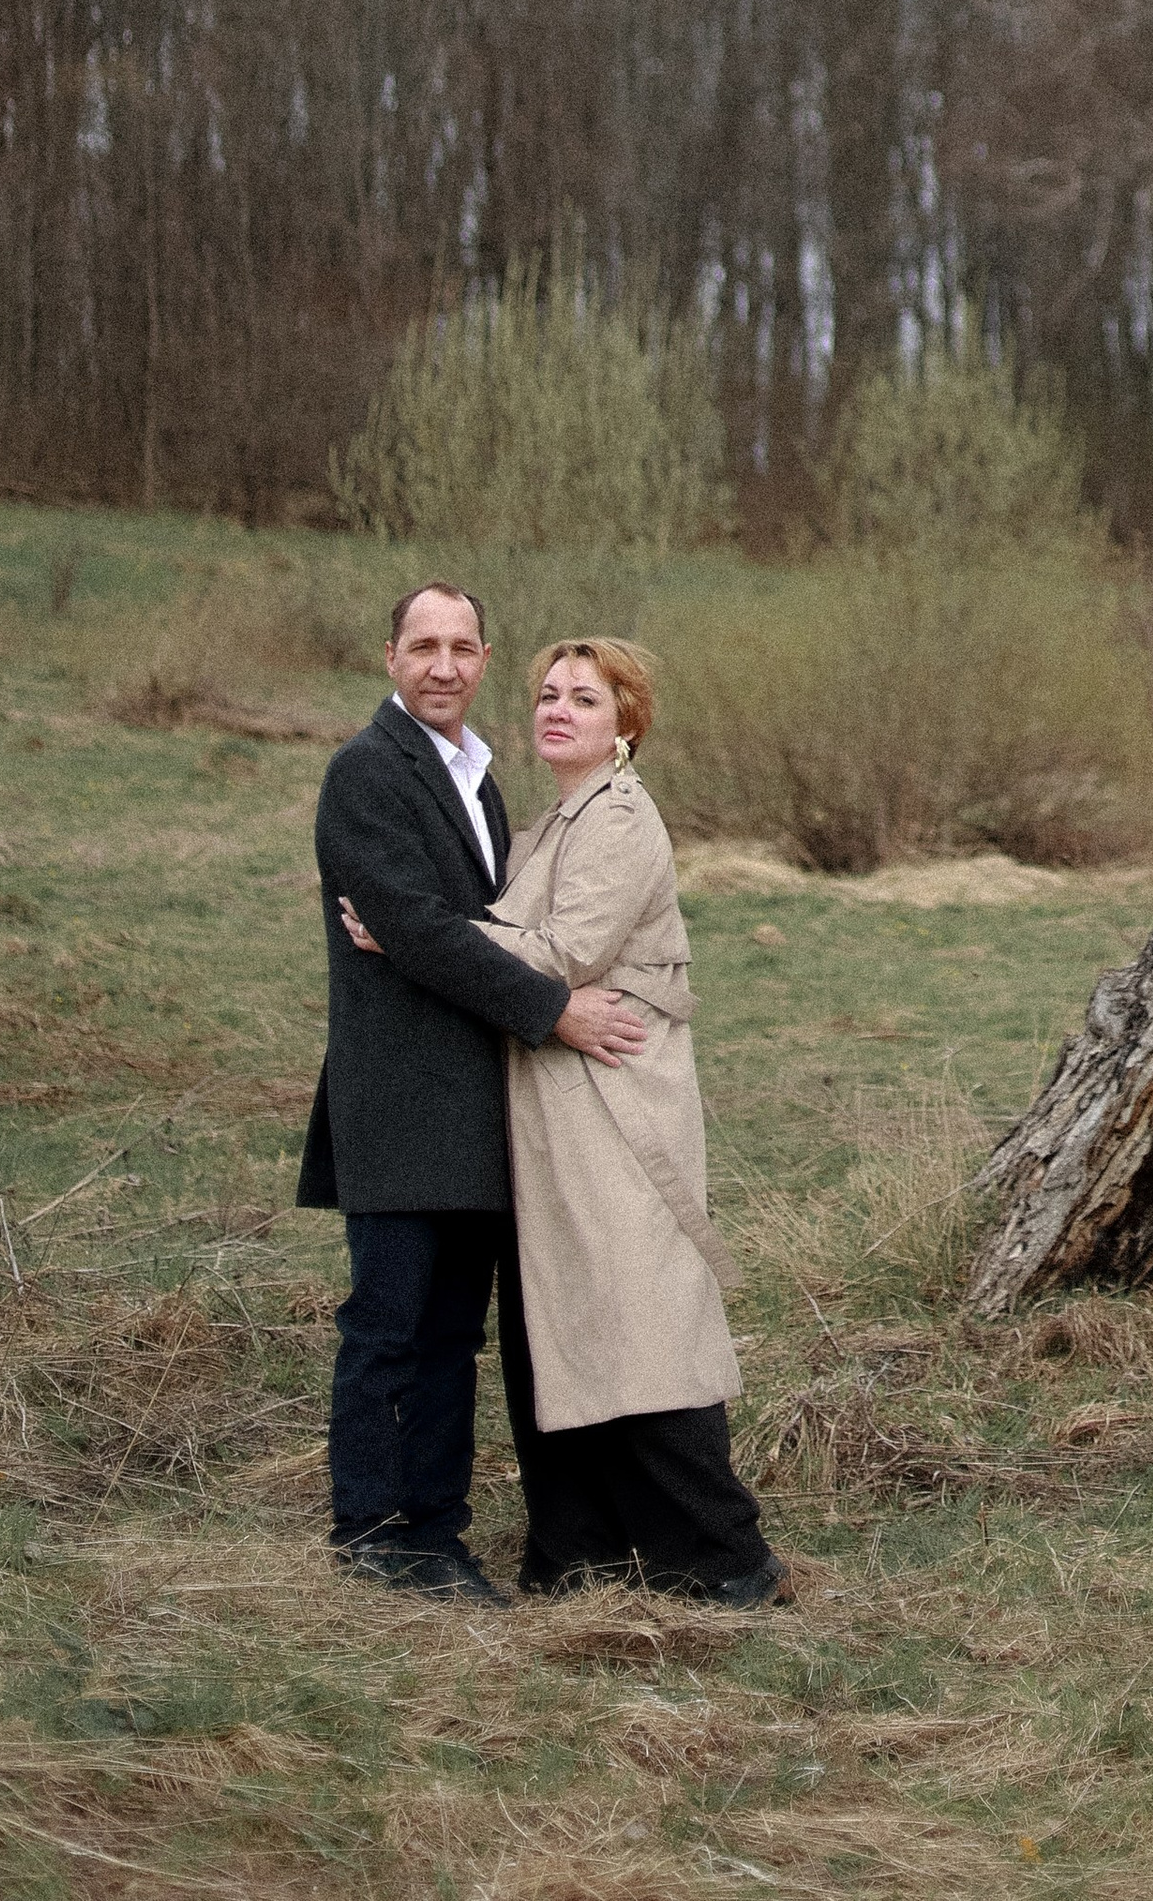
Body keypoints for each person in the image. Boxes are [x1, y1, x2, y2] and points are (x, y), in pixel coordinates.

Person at [344, 632, 786, 1608]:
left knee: (640, 1313)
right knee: (570, 1321)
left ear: (625, 724)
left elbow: (567, 949)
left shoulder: (620, 818)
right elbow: (516, 936)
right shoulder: (555, 820)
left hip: (617, 1103)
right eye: (547, 694)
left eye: (584, 699)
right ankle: (577, 1553)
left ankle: (720, 1559)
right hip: (562, 1103)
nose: (556, 710)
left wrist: (417, 935)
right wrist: (438, 937)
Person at [297, 581, 649, 1604]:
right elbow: (417, 929)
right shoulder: (366, 773)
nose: (442, 665)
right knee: (390, 1323)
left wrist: (447, 941)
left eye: (460, 647)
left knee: (455, 1331)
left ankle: (436, 1531)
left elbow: (466, 927)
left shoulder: (480, 778)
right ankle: (370, 1528)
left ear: (484, 659)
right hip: (402, 1097)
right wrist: (555, 1009)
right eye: (423, 646)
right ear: (390, 659)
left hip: (478, 1103)